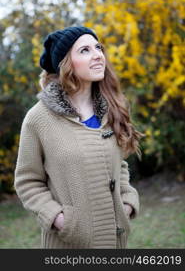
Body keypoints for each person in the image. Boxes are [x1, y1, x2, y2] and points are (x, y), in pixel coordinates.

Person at [14, 26, 143, 249]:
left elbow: (118, 164)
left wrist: (128, 201)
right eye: (84, 50)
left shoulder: (111, 110)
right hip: (69, 245)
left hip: (116, 242)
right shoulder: (38, 119)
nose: (98, 55)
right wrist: (59, 219)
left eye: (98, 47)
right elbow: (27, 181)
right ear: (66, 64)